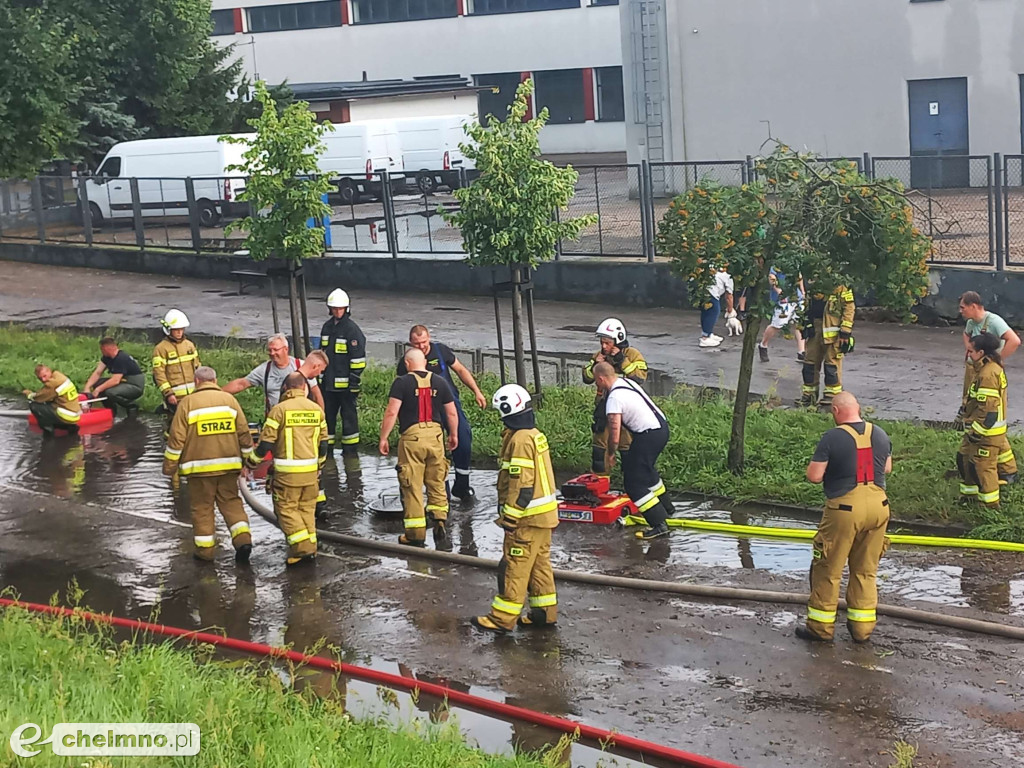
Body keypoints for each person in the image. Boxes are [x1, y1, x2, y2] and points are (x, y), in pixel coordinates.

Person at [800, 391, 891, 644]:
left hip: (845, 509)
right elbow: (886, 468)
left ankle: (820, 629)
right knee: (865, 570)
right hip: (879, 505)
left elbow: (814, 476)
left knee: (828, 568)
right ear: (858, 408)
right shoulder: (880, 433)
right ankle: (862, 631)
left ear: (836, 412)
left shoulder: (832, 437)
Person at [472, 384, 558, 633]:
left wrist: (510, 518)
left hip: (527, 519)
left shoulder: (520, 440)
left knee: (515, 568)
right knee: (539, 566)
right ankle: (544, 614)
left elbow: (522, 485)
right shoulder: (534, 434)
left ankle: (501, 619)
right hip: (544, 517)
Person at [161, 366, 254, 563]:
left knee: (202, 509)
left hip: (199, 471)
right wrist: (249, 461)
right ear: (215, 380)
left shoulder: (187, 404)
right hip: (228, 467)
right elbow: (244, 434)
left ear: (196, 382)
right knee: (231, 504)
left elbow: (176, 440)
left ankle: (205, 552)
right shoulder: (230, 401)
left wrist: (169, 468)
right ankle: (243, 540)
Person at [379, 349, 459, 549]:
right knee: (437, 481)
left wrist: (384, 437)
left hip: (412, 438)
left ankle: (415, 535)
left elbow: (391, 412)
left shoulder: (401, 383)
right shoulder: (441, 382)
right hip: (436, 436)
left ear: (407, 364)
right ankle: (440, 519)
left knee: (412, 487)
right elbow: (451, 412)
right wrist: (453, 434)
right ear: (424, 361)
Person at [398, 325, 487, 500]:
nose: (421, 347)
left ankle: (462, 484)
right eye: (417, 344)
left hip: (449, 404)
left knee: (463, 437)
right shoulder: (407, 362)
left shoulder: (441, 351)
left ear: (429, 338)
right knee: (435, 448)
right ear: (410, 343)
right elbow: (402, 390)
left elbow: (460, 370)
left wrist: (476, 391)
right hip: (426, 411)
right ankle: (440, 489)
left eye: (423, 342)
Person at [249, 372, 329, 566]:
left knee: (286, 509)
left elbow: (265, 444)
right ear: (304, 388)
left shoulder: (279, 411)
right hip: (311, 474)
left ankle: (303, 549)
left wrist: (251, 462)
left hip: (287, 475)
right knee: (306, 509)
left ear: (285, 389)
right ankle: (311, 546)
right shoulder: (317, 411)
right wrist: (319, 465)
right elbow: (324, 443)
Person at [591, 362, 672, 539]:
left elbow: (614, 434)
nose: (597, 386)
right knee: (647, 471)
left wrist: (611, 454)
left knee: (634, 483)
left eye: (597, 382)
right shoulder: (628, 383)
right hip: (662, 429)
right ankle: (667, 508)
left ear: (601, 378)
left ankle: (659, 524)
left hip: (647, 436)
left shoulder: (614, 399)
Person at [957, 291, 1020, 483]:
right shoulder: (971, 324)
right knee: (974, 411)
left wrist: (996, 361)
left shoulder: (994, 321)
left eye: (962, 307)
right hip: (974, 370)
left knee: (990, 419)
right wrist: (970, 349)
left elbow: (1015, 340)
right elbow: (966, 334)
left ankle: (1006, 470)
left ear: (973, 306)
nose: (960, 311)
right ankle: (1006, 469)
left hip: (986, 373)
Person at [581, 318, 648, 475]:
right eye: (602, 342)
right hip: (603, 408)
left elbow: (639, 378)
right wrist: (596, 365)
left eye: (607, 343)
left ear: (618, 340)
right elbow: (587, 378)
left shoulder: (632, 354)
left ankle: (631, 484)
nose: (604, 346)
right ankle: (601, 483)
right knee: (599, 450)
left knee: (627, 448)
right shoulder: (599, 355)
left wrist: (622, 361)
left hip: (625, 409)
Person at [958, 332, 1011, 509]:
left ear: (981, 352)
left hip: (986, 433)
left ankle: (990, 506)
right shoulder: (984, 368)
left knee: (983, 468)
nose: (968, 355)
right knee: (964, 459)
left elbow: (989, 410)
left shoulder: (988, 374)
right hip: (975, 428)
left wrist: (976, 432)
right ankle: (969, 496)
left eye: (971, 351)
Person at [223, 335, 325, 415]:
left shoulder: (301, 366)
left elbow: (316, 394)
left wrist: (321, 418)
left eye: (276, 349)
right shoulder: (264, 369)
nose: (272, 353)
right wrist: (215, 392)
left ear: (286, 349)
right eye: (270, 350)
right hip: (274, 421)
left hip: (297, 421)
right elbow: (241, 384)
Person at [320, 289, 367, 455]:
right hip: (328, 385)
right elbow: (322, 354)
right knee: (328, 418)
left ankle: (350, 452)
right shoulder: (327, 327)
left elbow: (358, 358)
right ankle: (328, 452)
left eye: (340, 308)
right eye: (334, 308)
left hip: (347, 387)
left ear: (346, 308)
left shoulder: (352, 330)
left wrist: (354, 381)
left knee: (349, 419)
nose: (337, 312)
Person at [801, 286, 855, 408]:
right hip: (815, 329)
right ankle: (809, 395)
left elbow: (849, 308)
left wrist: (845, 332)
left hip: (834, 334)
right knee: (809, 363)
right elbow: (806, 305)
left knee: (831, 365)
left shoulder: (842, 286)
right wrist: (804, 324)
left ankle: (831, 397)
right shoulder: (815, 283)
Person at [152, 309, 200, 419]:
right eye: (176, 330)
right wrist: (168, 393)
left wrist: (201, 387)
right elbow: (159, 374)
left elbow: (197, 367)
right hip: (174, 397)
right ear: (168, 330)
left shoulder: (189, 346)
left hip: (192, 394)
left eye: (181, 329)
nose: (179, 332)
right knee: (174, 424)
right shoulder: (161, 349)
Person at [82, 337, 146, 414]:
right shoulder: (107, 357)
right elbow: (98, 372)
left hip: (134, 385)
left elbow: (115, 380)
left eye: (101, 349)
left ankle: (131, 406)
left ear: (105, 348)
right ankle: (111, 411)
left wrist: (98, 389)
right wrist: (87, 387)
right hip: (123, 381)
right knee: (98, 383)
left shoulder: (121, 358)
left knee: (111, 392)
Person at [757, 270, 806, 364]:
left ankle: (801, 352)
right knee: (777, 325)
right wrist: (778, 290)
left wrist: (803, 292)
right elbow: (771, 277)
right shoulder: (777, 265)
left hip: (797, 297)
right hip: (783, 300)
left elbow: (799, 277)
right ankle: (763, 344)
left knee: (799, 323)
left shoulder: (795, 262)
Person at [24, 365, 81, 435]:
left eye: (44, 376)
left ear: (49, 371)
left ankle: (49, 433)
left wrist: (29, 394)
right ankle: (70, 427)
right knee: (48, 405)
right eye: (40, 378)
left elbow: (39, 398)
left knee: (35, 406)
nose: (43, 380)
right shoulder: (60, 377)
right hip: (75, 413)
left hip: (67, 415)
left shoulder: (52, 384)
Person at [699, 268, 734, 348]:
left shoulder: (718, 273)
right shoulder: (729, 277)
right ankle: (705, 338)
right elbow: (729, 296)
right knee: (713, 313)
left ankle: (708, 333)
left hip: (702, 292)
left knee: (705, 313)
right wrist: (730, 309)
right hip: (712, 294)